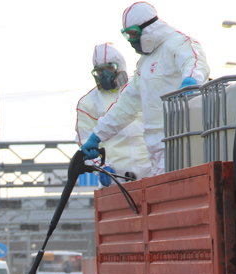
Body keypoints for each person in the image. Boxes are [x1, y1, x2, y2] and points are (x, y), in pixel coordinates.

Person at [80, 1, 210, 177]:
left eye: (133, 34)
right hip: (156, 152)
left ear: (149, 28)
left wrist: (191, 81)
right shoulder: (144, 64)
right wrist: (97, 137)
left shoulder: (178, 44)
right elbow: (125, 106)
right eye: (128, 35)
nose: (131, 40)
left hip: (183, 143)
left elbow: (194, 62)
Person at [76, 43, 151, 184]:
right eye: (100, 71)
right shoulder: (88, 103)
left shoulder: (138, 87)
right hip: (116, 178)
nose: (105, 74)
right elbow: (85, 141)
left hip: (151, 170)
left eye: (110, 68)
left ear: (120, 66)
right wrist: (101, 166)